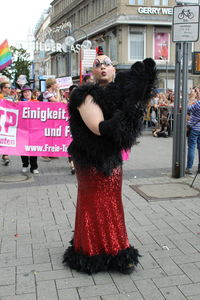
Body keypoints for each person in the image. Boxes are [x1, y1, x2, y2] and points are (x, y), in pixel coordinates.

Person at [63, 47, 157, 274]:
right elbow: (100, 129)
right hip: (92, 161)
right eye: (97, 64)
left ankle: (116, 249)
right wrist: (131, 110)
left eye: (106, 63)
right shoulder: (85, 95)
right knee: (95, 204)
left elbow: (125, 132)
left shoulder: (119, 95)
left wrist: (138, 96)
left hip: (112, 160)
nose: (102, 66)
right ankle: (92, 252)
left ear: (113, 69)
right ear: (92, 72)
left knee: (113, 204)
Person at [20, 85, 39, 174]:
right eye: (25, 92)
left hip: (34, 129)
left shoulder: (37, 102)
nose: (27, 93)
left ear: (31, 93)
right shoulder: (19, 103)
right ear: (22, 94)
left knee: (33, 148)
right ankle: (25, 164)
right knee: (23, 148)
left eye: (28, 91)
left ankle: (34, 167)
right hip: (22, 129)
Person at [0, 81, 14, 165]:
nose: (10, 89)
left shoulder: (10, 98)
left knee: (6, 138)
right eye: (8, 88)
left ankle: (5, 155)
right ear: (3, 89)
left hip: (6, 122)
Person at [185, 99, 200, 174]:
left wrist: (190, 99)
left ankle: (189, 168)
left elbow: (187, 108)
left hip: (194, 129)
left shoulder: (198, 104)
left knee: (191, 148)